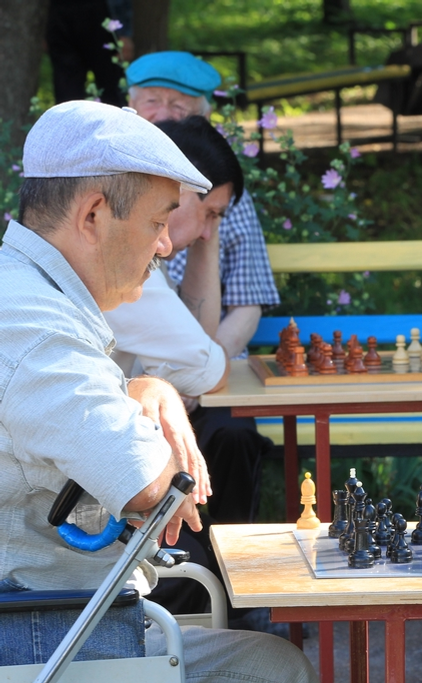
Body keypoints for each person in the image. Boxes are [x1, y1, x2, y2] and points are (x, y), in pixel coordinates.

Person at [0, 99, 316, 681]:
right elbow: (149, 481)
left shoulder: (31, 295)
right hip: (48, 638)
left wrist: (147, 387)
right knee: (276, 670)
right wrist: (153, 405)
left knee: (275, 661)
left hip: (63, 616)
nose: (166, 245)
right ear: (93, 215)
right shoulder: (36, 325)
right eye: (156, 223)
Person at [125, 52, 280, 527]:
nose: (164, 116)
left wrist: (201, 365)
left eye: (179, 107)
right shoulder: (127, 238)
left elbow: (245, 305)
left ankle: (223, 554)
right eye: (152, 102)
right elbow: (194, 361)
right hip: (151, 385)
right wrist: (197, 369)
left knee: (232, 432)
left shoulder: (219, 188)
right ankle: (190, 558)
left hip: (197, 368)